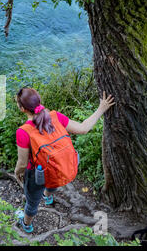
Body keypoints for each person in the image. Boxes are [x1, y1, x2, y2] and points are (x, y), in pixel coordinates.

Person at [14, 87, 115, 233]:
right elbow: (83, 128)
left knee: (31, 203)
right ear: (39, 101)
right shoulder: (55, 116)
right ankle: (47, 197)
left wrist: (17, 173)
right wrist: (101, 108)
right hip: (59, 167)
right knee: (52, 175)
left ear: (23, 109)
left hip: (36, 174)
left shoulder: (23, 132)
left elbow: (22, 163)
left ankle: (27, 225)